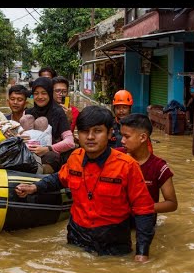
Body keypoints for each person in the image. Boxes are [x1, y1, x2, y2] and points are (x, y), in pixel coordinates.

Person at [15, 106, 156, 262]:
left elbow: (144, 211)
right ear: (78, 134)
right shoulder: (75, 157)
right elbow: (59, 178)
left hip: (113, 240)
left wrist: (142, 253)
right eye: (84, 131)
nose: (90, 137)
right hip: (77, 235)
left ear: (110, 134)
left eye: (97, 131)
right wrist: (35, 187)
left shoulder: (128, 166)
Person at [118, 113, 178, 225]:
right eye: (122, 136)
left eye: (127, 137)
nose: (122, 141)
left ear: (143, 137)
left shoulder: (159, 167)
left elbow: (172, 204)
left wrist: (142, 208)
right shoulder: (116, 157)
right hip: (118, 225)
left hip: (144, 225)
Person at [24, 77, 75, 173]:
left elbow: (70, 142)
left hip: (49, 155)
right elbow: (21, 135)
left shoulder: (59, 112)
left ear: (50, 94)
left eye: (44, 93)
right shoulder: (27, 112)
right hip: (29, 152)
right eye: (36, 93)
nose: (40, 97)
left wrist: (48, 149)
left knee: (52, 157)